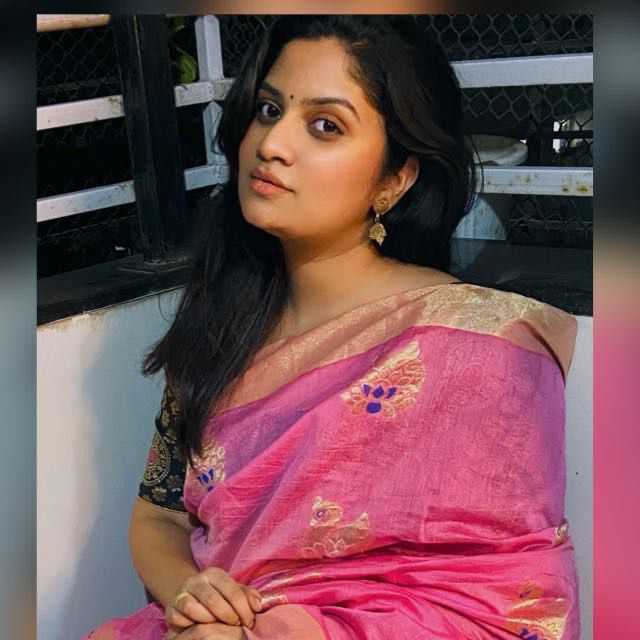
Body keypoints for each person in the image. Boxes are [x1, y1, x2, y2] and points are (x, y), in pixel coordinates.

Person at [83, 15, 580, 640]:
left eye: (325, 126)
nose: (272, 143)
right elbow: (159, 515)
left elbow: (509, 604)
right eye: (269, 110)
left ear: (395, 179)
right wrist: (191, 593)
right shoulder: (219, 323)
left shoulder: (481, 347)